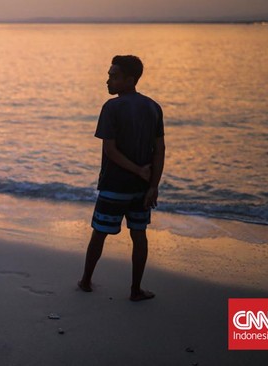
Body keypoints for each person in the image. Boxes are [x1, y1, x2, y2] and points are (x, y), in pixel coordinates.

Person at [78, 55, 165, 302]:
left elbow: (110, 150)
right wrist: (153, 184)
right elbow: (159, 150)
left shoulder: (112, 107)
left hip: (114, 185)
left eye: (114, 76)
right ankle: (135, 290)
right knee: (139, 234)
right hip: (141, 188)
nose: (108, 80)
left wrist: (138, 171)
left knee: (99, 233)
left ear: (130, 80)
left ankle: (86, 281)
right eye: (109, 75)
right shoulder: (153, 107)